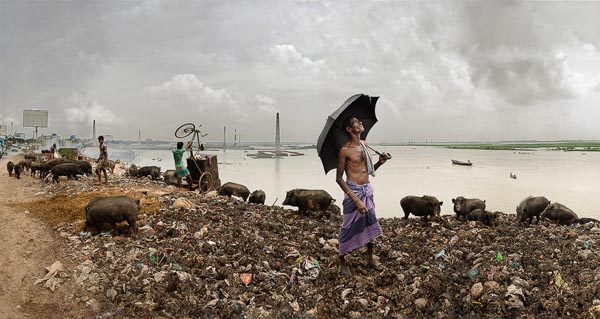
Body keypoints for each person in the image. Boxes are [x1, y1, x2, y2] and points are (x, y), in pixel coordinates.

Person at [336, 116, 389, 276]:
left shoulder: (366, 145)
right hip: (354, 193)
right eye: (356, 123)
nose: (360, 123)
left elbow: (369, 171)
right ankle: (342, 260)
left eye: (360, 121)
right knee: (347, 226)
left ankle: (370, 257)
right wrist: (356, 200)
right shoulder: (344, 150)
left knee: (370, 222)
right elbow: (338, 178)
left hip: (367, 190)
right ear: (349, 129)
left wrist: (380, 162)